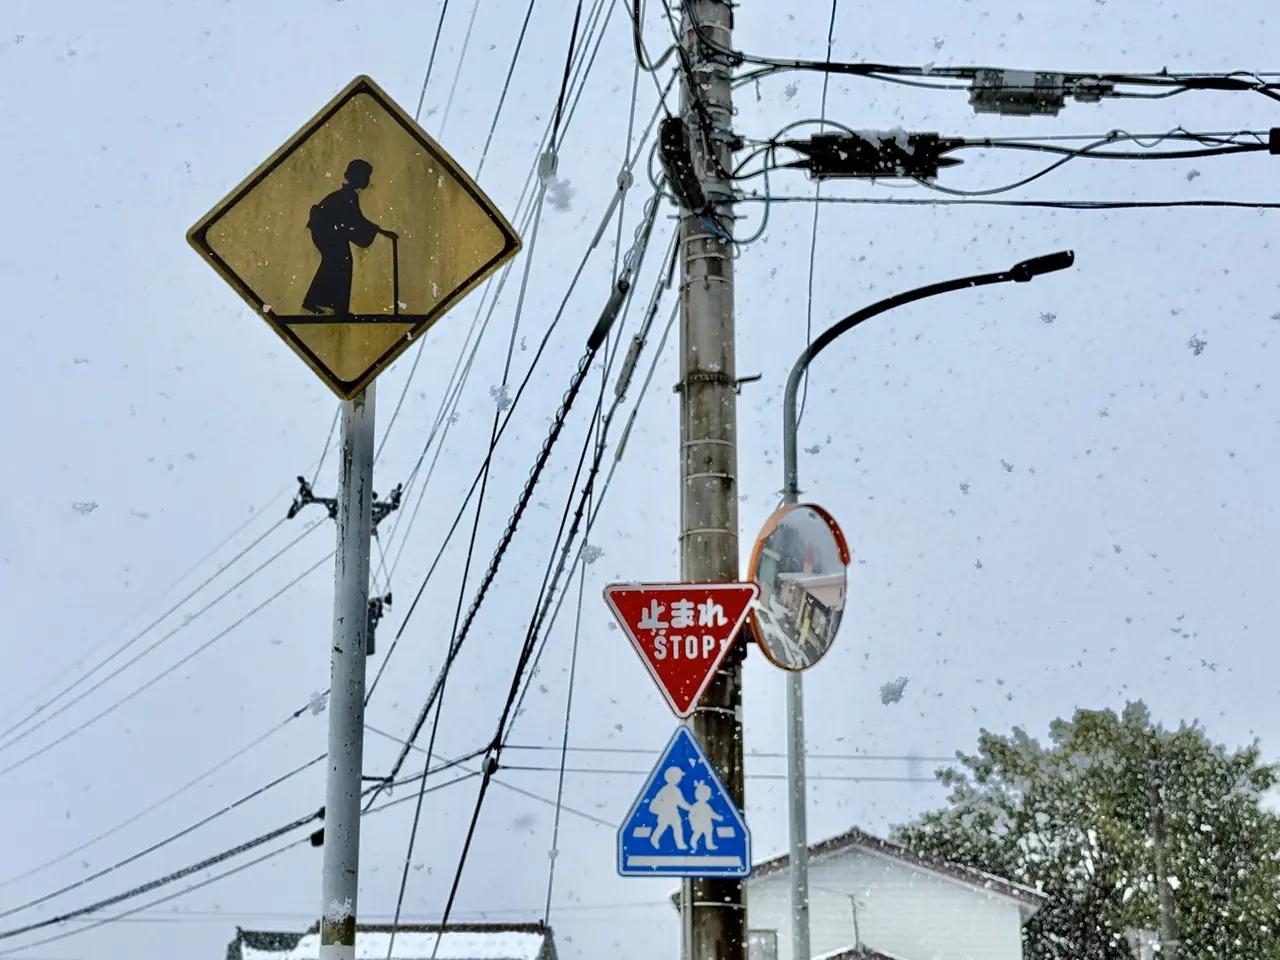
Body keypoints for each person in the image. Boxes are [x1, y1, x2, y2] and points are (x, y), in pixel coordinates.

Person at [301, 159, 397, 317]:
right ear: (355, 177)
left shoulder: (349, 195)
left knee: (340, 263)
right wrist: (378, 231)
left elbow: (357, 220)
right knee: (339, 262)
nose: (367, 180)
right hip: (326, 232)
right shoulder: (347, 196)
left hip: (331, 232)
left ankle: (329, 305)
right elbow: (356, 220)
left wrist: (379, 231)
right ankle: (328, 306)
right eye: (365, 176)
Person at [648, 767, 691, 850]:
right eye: (679, 777)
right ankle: (679, 844)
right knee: (675, 828)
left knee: (666, 827)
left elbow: (658, 798)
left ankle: (656, 839)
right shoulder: (675, 790)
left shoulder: (663, 789)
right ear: (676, 778)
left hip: (667, 813)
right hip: (670, 813)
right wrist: (691, 808)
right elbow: (681, 803)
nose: (680, 779)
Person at [687, 781, 723, 852]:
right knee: (697, 833)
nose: (708, 796)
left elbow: (711, 814)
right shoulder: (696, 806)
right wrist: (693, 824)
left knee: (708, 834)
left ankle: (709, 845)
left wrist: (718, 817)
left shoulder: (707, 806)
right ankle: (692, 842)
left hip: (707, 824)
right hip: (699, 824)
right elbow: (690, 815)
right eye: (707, 794)